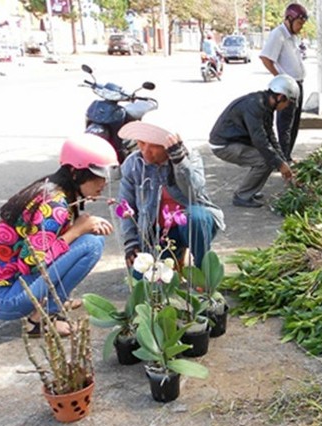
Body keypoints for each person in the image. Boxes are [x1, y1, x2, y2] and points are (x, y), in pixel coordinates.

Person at [0, 134, 118, 337]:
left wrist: (76, 230)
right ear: (74, 172)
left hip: (5, 290)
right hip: (6, 298)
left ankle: (53, 301)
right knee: (92, 243)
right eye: (97, 176)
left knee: (87, 237)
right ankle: (44, 317)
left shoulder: (53, 190)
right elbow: (32, 263)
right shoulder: (54, 205)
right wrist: (76, 231)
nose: (103, 183)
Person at [117, 111, 225, 270]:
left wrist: (179, 161)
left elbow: (194, 194)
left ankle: (204, 269)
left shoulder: (190, 157)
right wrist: (130, 243)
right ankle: (176, 256)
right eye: (141, 143)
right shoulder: (133, 164)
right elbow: (125, 207)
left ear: (167, 147)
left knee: (196, 217)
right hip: (157, 233)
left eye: (154, 147)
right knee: (145, 280)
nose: (145, 151)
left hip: (190, 226)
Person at [208, 74, 299, 207]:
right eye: (288, 103)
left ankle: (251, 190)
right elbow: (260, 140)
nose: (286, 107)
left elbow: (270, 135)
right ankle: (242, 196)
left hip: (236, 141)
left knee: (272, 158)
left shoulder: (265, 104)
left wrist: (282, 160)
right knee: (265, 161)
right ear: (280, 97)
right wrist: (279, 163)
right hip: (223, 145)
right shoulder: (254, 106)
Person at [259, 3, 308, 162]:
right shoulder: (278, 34)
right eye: (299, 23)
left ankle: (287, 155)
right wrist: (280, 79)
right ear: (289, 19)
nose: (300, 27)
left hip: (297, 85)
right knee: (285, 125)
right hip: (286, 88)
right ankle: (283, 158)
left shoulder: (292, 37)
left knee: (294, 123)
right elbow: (266, 58)